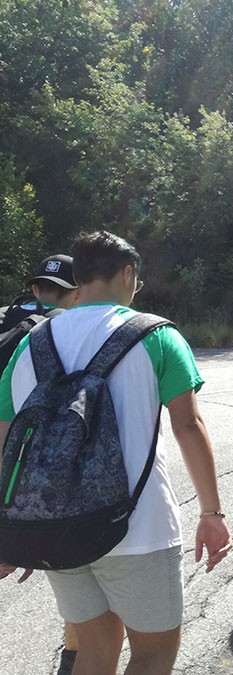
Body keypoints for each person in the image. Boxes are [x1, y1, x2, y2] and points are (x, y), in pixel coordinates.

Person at [0, 231, 232, 675]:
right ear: (129, 274)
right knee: (154, 652)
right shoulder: (157, 335)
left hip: (56, 526)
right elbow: (187, 425)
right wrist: (212, 513)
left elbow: (6, 438)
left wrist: (8, 525)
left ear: (78, 277)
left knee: (94, 650)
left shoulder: (31, 343)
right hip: (140, 528)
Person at [0, 254, 80, 675]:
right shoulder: (55, 338)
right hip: (19, 474)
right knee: (75, 586)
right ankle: (72, 662)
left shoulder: (5, 318)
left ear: (34, 289)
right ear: (77, 293)